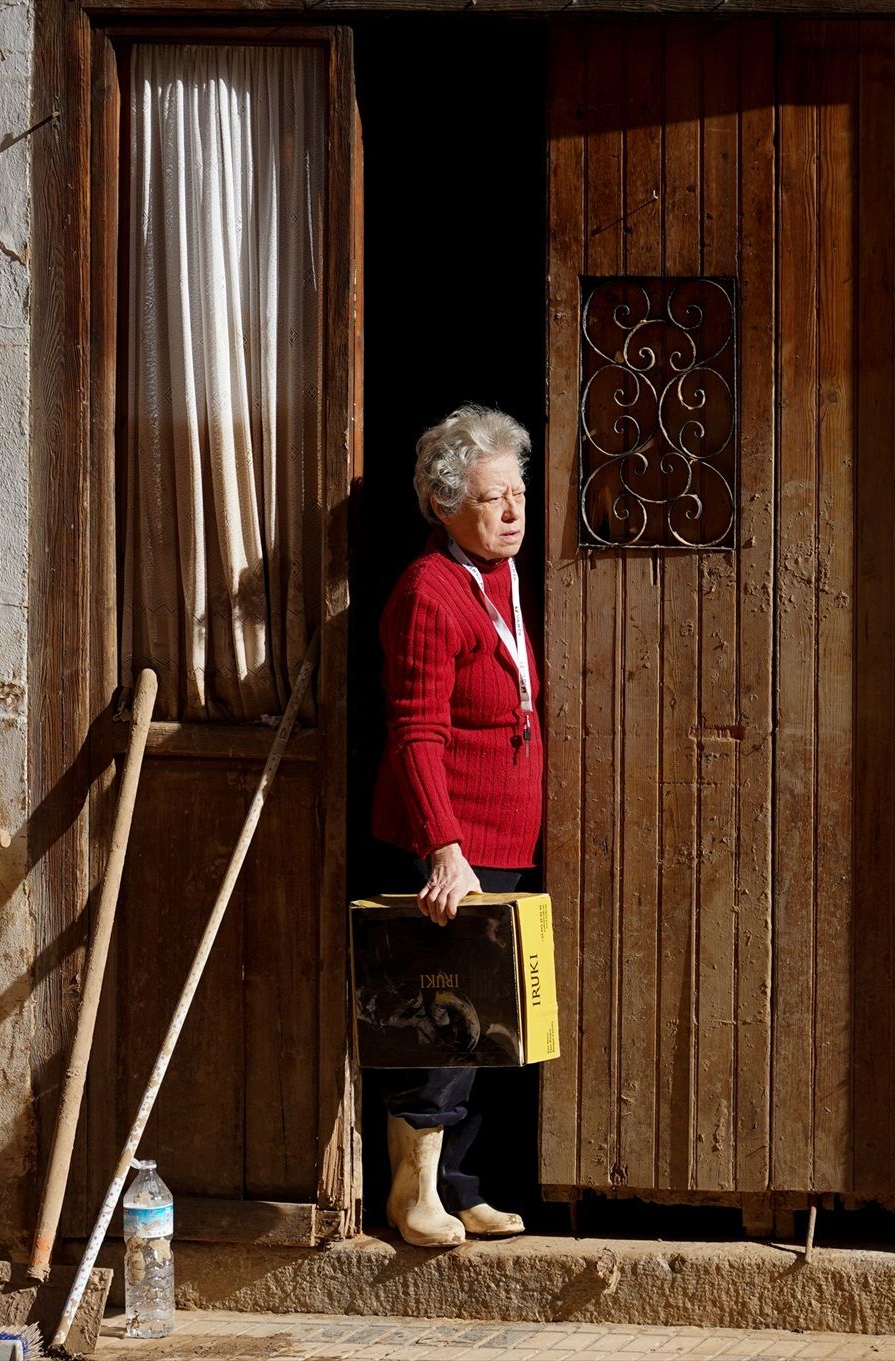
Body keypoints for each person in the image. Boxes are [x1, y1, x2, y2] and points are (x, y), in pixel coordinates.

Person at [370, 404, 542, 1247]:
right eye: (490, 498)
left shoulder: (500, 576)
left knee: (486, 1017)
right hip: (452, 846)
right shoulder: (429, 591)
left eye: (517, 492)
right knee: (440, 1019)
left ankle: (461, 1183)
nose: (512, 512)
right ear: (443, 504)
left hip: (501, 842)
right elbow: (416, 730)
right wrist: (445, 850)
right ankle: (412, 1194)